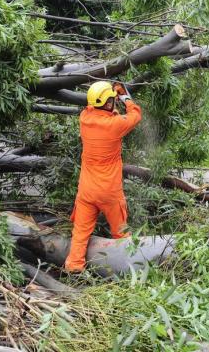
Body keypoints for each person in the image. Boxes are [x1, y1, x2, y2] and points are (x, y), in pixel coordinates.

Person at [64, 80, 142, 272]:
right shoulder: (115, 124)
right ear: (109, 103)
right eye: (112, 101)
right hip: (109, 191)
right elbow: (135, 115)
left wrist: (109, 96)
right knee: (121, 234)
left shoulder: (84, 118)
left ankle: (74, 266)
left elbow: (93, 107)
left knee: (80, 233)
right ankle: (131, 269)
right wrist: (124, 96)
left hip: (87, 190)